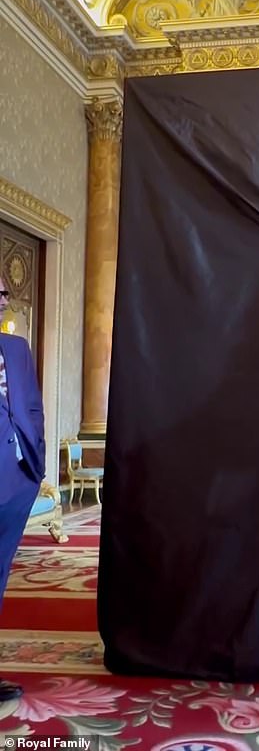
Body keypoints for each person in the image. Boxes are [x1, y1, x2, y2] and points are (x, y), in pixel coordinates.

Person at [0, 276, 45, 701]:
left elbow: (31, 403)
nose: (2, 301)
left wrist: (37, 462)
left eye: (3, 293)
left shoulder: (17, 348)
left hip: (16, 482)